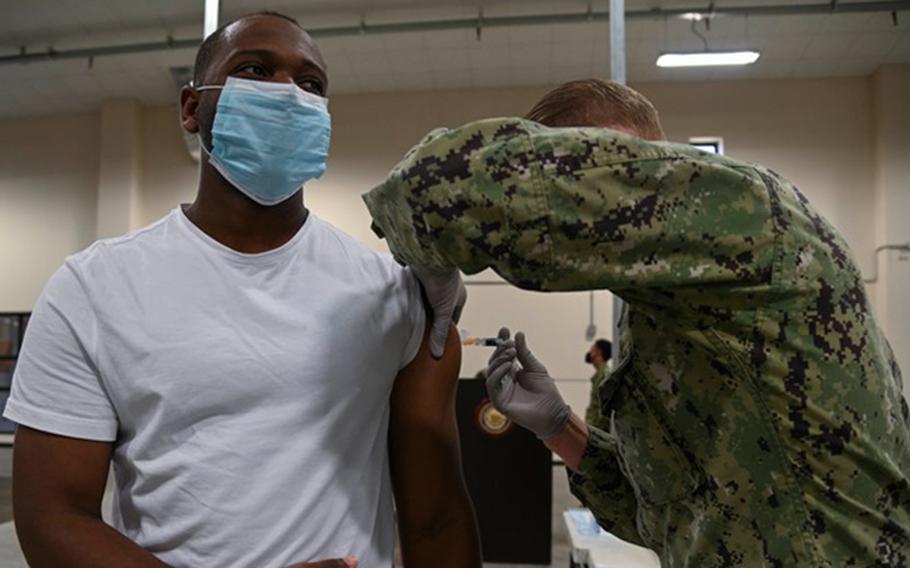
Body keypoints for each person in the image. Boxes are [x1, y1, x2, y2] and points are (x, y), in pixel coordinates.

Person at [362, 78, 910, 565]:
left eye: (573, 174)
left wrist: (431, 258)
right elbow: (666, 516)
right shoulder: (667, 308)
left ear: (630, 153)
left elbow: (439, 186)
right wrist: (559, 428)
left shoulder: (745, 208)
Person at [5, 12, 480, 568]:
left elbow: (436, 517)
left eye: (311, 85)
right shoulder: (93, 290)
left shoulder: (391, 293)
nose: (286, 94)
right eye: (254, 70)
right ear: (191, 107)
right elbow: (51, 518)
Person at [583, 339, 612, 429]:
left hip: (598, 429)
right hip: (594, 427)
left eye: (592, 347)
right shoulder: (600, 375)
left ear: (598, 351)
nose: (590, 350)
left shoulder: (605, 375)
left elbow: (605, 407)